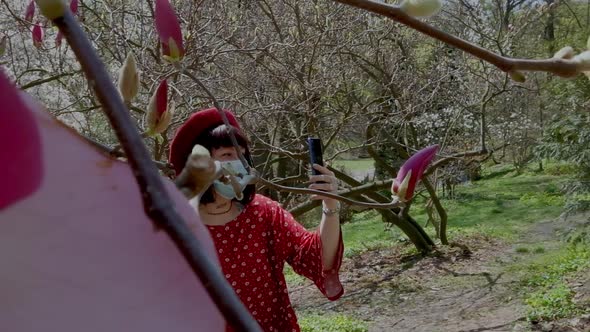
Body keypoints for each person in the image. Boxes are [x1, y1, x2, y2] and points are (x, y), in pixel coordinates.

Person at [169, 108, 344, 332]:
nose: (238, 164)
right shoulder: (178, 228)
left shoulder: (263, 213)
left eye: (241, 154)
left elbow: (316, 258)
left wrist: (330, 206)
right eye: (226, 155)